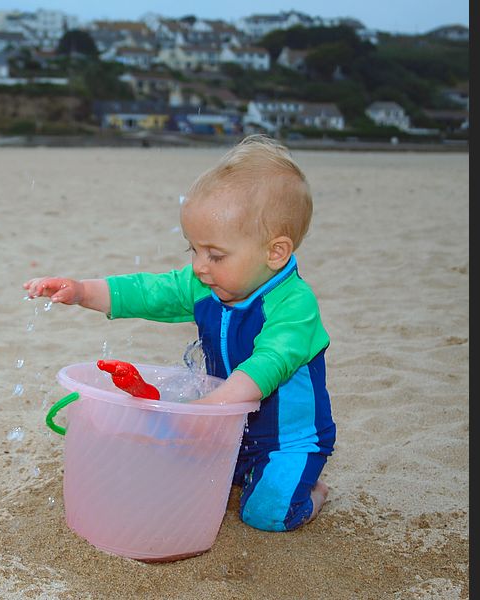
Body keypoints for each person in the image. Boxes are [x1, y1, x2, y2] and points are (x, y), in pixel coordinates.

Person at [23, 135, 335, 532]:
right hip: (231, 428)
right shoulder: (205, 284)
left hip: (287, 439)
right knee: (170, 468)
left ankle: (315, 494)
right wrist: (83, 291)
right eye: (194, 250)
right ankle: (243, 470)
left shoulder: (294, 306)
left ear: (275, 252)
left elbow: (265, 366)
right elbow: (149, 292)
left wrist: (209, 410)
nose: (200, 267)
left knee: (265, 515)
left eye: (215, 255)